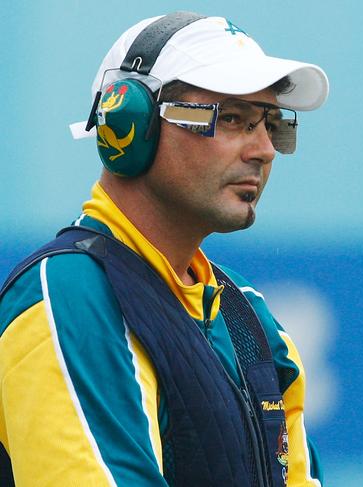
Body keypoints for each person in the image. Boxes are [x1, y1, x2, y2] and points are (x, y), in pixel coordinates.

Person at [0, 11, 328, 487]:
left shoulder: (250, 320)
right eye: (232, 118)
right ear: (128, 124)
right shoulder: (69, 294)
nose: (265, 150)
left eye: (270, 123)